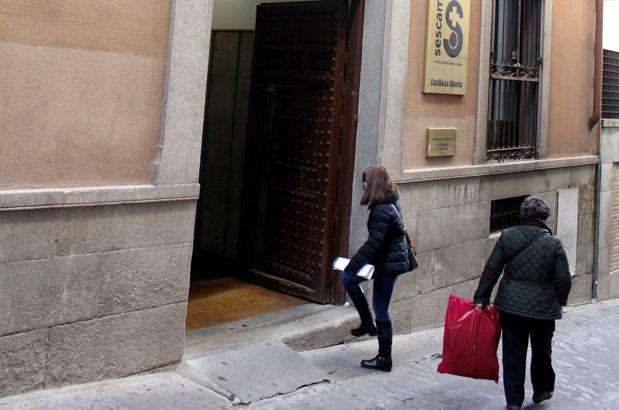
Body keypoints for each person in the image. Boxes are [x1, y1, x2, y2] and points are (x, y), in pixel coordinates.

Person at [473, 196, 572, 410]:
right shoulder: (553, 243)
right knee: (542, 350)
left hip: (511, 307)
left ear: (523, 214)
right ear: (544, 217)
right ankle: (543, 389)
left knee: (513, 353)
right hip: (543, 310)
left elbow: (492, 269)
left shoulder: (508, 236)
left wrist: (481, 297)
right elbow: (563, 278)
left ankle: (514, 401)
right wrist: (560, 301)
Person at [340, 166, 410, 372]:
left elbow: (374, 244)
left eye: (365, 181)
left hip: (388, 264)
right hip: (386, 260)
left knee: (379, 306)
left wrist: (353, 265)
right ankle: (367, 324)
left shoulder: (382, 209)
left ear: (373, 184)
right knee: (350, 280)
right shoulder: (389, 199)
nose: (362, 185)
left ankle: (384, 358)